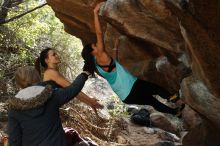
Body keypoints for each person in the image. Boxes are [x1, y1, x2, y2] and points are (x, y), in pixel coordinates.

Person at [81, 2, 184, 117]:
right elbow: (99, 33)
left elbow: (114, 65)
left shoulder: (97, 67)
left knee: (152, 101)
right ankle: (176, 100)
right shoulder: (100, 55)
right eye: (94, 46)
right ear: (93, 52)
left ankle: (177, 113)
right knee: (156, 89)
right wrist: (95, 12)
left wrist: (115, 49)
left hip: (126, 96)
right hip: (132, 86)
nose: (96, 45)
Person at [8, 66, 94, 146]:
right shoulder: (51, 95)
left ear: (18, 83)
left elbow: (14, 139)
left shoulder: (14, 107)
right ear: (37, 77)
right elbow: (73, 89)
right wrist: (84, 74)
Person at [35, 47, 103, 111]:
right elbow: (73, 88)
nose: (57, 55)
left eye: (56, 53)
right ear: (47, 60)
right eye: (53, 54)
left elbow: (73, 92)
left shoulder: (52, 72)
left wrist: (89, 102)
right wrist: (90, 100)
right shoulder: (50, 72)